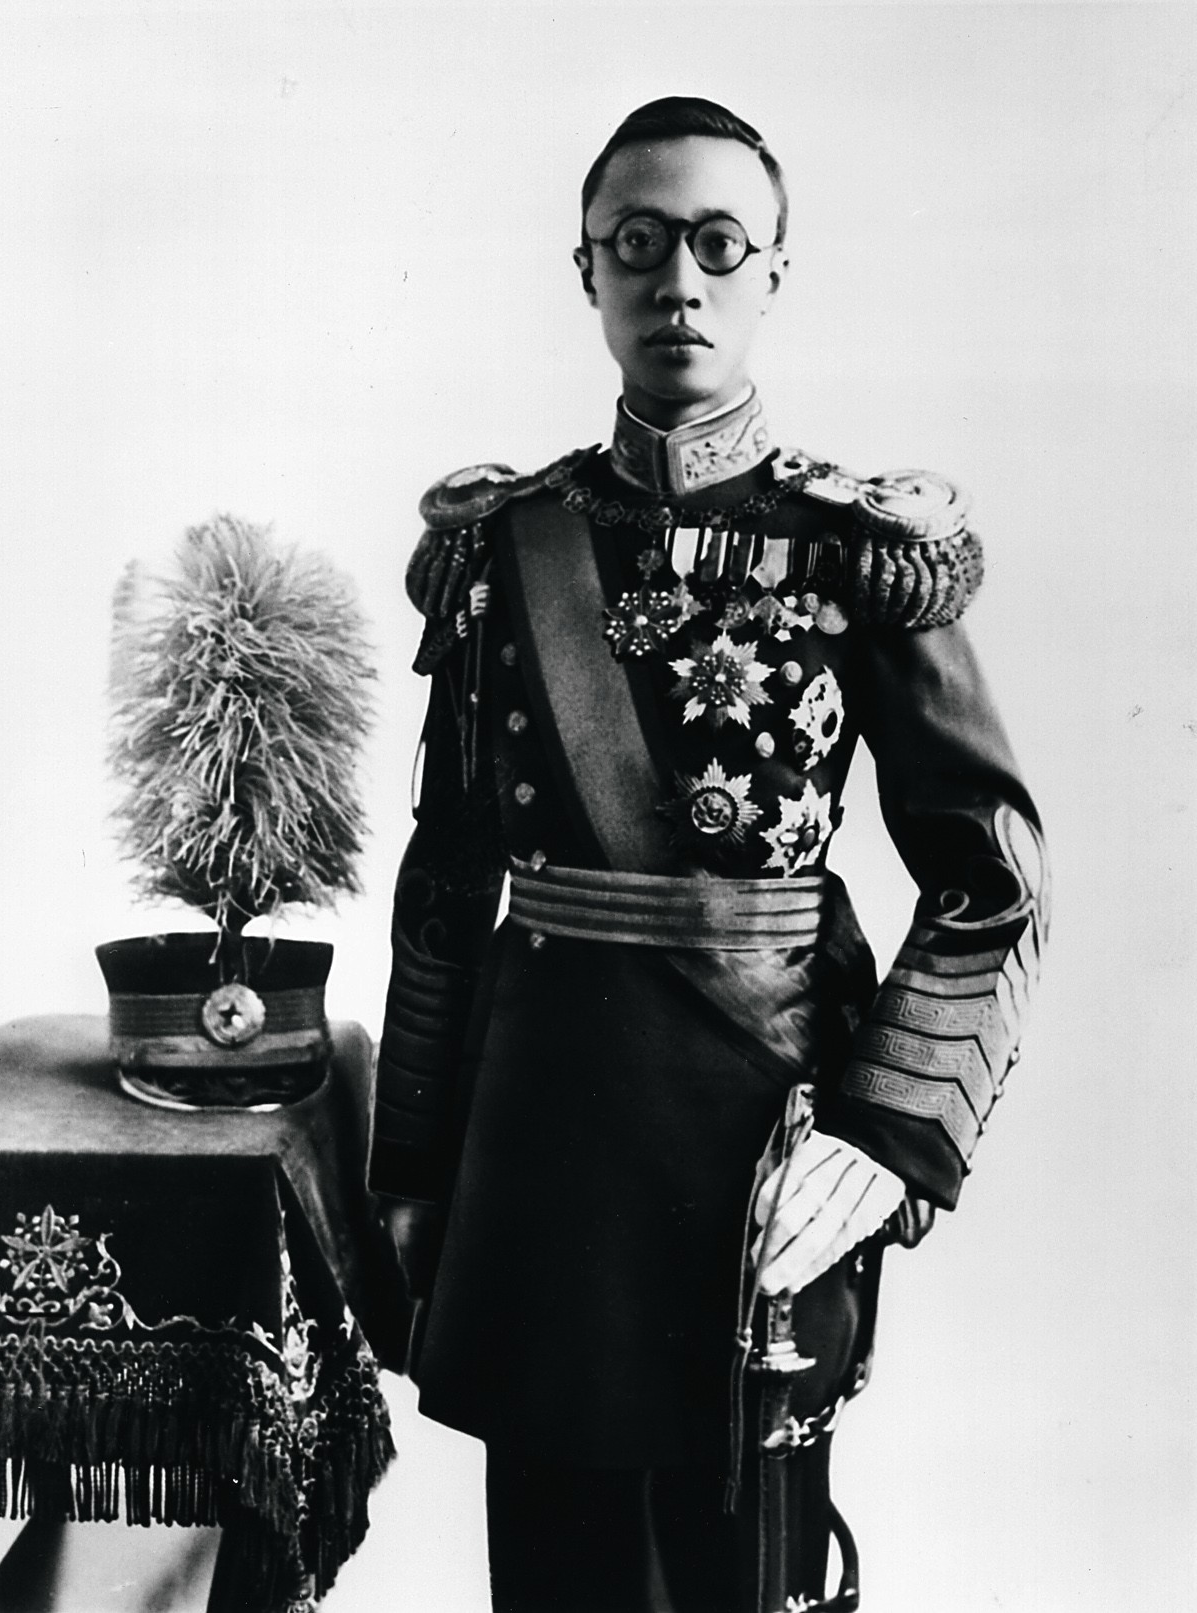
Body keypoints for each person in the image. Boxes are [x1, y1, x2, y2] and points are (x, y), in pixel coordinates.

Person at [368, 97, 1048, 1613]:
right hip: (536, 1148)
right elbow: (447, 880)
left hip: (762, 1147)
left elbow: (993, 873)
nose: (678, 278)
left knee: (741, 1567)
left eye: (719, 243)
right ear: (588, 270)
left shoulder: (856, 549)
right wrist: (410, 1166)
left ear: (775, 272)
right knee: (556, 1573)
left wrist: (883, 1132)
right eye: (638, 241)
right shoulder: (503, 547)